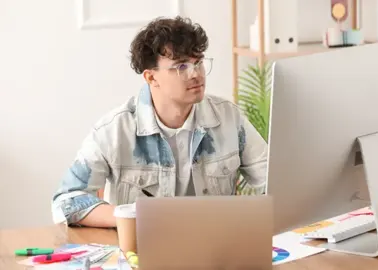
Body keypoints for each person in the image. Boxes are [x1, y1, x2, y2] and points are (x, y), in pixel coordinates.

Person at [51, 16, 268, 228]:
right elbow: (66, 201)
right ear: (151, 77)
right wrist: (132, 218)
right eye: (182, 67)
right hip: (142, 254)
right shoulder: (114, 131)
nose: (196, 74)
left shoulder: (229, 119)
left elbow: (274, 181)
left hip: (217, 251)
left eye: (199, 62)